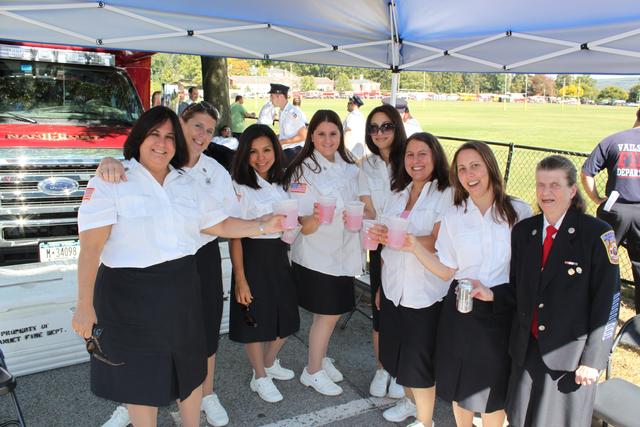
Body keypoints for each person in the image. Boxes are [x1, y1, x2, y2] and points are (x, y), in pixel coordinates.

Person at [72, 106, 283, 427]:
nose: (162, 143)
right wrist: (84, 306)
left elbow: (221, 224)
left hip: (182, 287)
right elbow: (90, 249)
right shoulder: (111, 180)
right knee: (140, 379)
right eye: (154, 134)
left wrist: (264, 225)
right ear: (140, 137)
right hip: (128, 295)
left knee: (191, 366)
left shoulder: (187, 183)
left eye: (169, 137)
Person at [400, 140, 532, 427]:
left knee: (493, 389)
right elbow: (447, 270)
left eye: (475, 166)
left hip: (501, 311)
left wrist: (497, 295)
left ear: (490, 168)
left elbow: (528, 270)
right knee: (460, 385)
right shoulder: (453, 217)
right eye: (461, 169)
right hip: (462, 310)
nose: (469, 173)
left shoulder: (518, 212)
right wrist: (413, 247)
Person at [485, 155, 621, 427]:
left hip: (570, 358)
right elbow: (518, 290)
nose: (546, 192)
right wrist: (490, 294)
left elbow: (609, 302)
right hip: (526, 349)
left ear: (572, 190)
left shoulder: (598, 235)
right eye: (540, 185)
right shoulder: (525, 232)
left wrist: (593, 360)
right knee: (520, 418)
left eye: (555, 185)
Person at [369, 132, 454, 427]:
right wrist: (380, 285)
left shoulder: (447, 193)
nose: (415, 161)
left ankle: (426, 420)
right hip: (394, 289)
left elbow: (437, 240)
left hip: (424, 293)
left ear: (435, 158)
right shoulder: (398, 192)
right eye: (409, 155)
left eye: (422, 155)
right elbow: (385, 245)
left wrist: (406, 240)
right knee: (396, 356)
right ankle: (408, 401)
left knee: (418, 362)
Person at [283, 110, 361, 396]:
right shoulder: (301, 170)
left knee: (333, 312)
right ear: (311, 136)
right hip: (317, 254)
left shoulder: (350, 165)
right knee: (326, 315)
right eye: (321, 134)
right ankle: (312, 371)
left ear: (341, 136)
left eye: (333, 133)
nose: (327, 140)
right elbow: (300, 222)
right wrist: (316, 217)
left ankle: (321, 356)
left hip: (344, 253)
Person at [229, 124, 300, 403]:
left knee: (286, 316)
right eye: (254, 151)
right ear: (244, 154)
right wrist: (240, 278)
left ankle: (269, 363)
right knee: (255, 319)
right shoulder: (239, 187)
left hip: (279, 255)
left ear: (276, 151)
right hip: (252, 255)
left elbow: (290, 223)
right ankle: (259, 375)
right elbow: (235, 236)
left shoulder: (282, 183)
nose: (261, 157)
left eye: (267, 150)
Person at [358, 104, 407, 404]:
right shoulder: (368, 165)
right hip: (380, 244)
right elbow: (367, 205)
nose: (379, 133)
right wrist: (381, 231)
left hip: (407, 245)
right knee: (380, 308)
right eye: (373, 128)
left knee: (404, 308)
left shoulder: (409, 159)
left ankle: (401, 369)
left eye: (386, 126)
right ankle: (382, 368)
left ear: (397, 127)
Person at [581, 109, 640, 313]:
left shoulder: (614, 140)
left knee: (600, 262)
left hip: (615, 209)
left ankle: (592, 309)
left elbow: (587, 172)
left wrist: (596, 198)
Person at [269, 83, 307, 164]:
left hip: (294, 152)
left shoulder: (293, 113)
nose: (270, 99)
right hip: (286, 150)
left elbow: (303, 136)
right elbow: (285, 134)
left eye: (272, 96)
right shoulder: (281, 111)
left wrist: (282, 142)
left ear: (280, 96)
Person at [343, 95, 367, 160]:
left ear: (353, 104)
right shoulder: (362, 116)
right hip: (360, 151)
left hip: (350, 151)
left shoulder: (351, 116)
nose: (347, 105)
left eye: (348, 103)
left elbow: (348, 131)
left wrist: (344, 148)